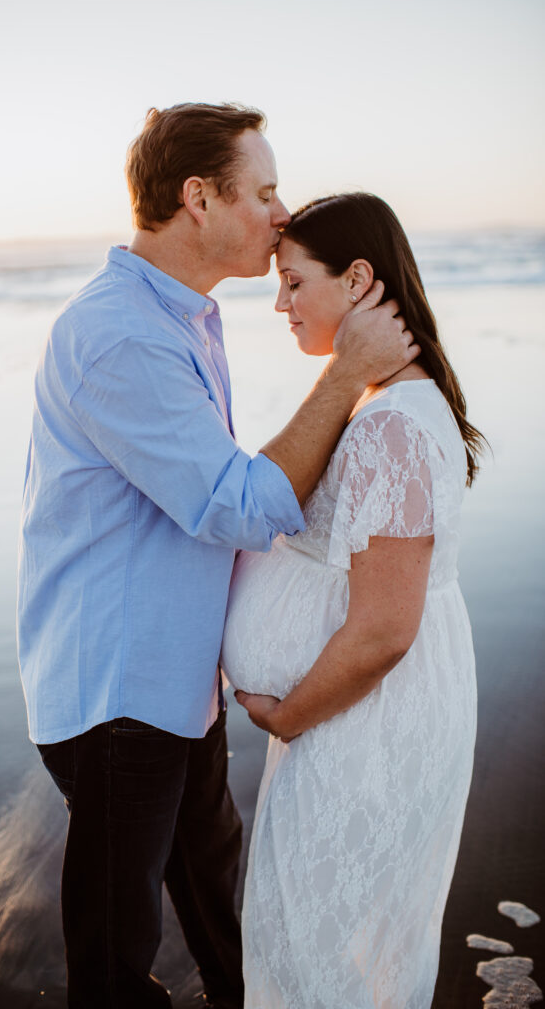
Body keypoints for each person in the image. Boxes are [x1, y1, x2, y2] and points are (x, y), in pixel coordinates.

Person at [16, 106, 418, 1009]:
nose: (282, 213)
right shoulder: (121, 333)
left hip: (176, 684)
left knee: (225, 915)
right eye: (265, 191)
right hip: (117, 695)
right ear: (198, 198)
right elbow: (234, 504)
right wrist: (347, 373)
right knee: (117, 963)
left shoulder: (182, 316)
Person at [222, 192, 486, 1009]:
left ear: (358, 279)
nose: (279, 304)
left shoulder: (390, 427)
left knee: (320, 948)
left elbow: (381, 630)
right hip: (365, 710)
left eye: (294, 282)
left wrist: (287, 714)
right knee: (346, 935)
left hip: (358, 717)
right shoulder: (387, 404)